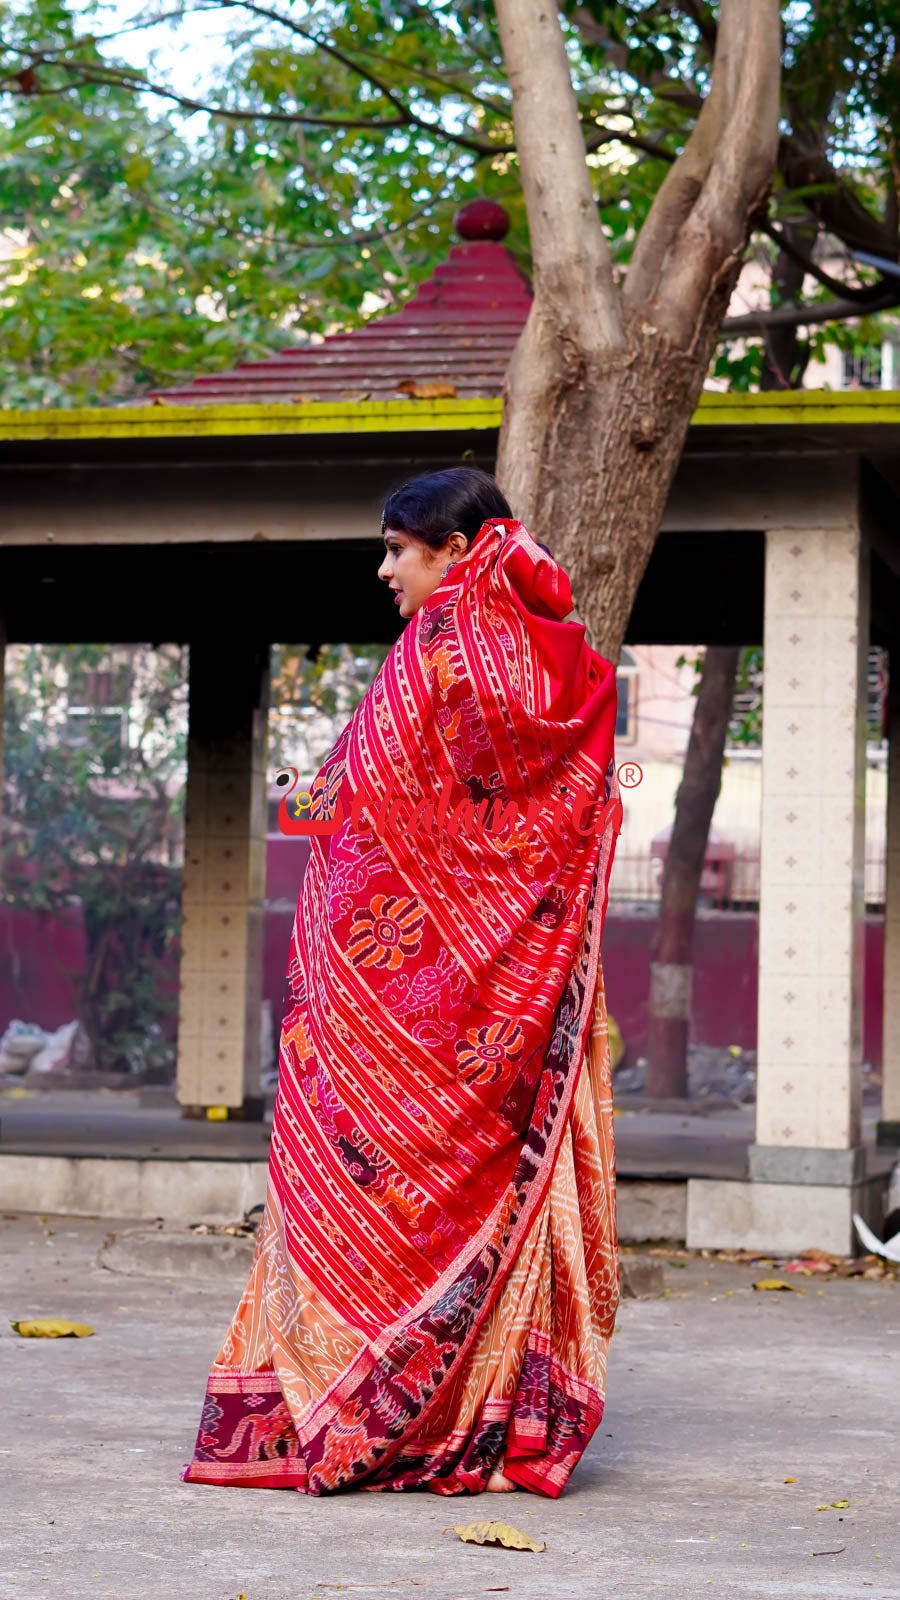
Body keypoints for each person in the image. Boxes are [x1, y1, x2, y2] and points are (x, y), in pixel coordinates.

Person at [183, 466, 624, 1498]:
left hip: (396, 1008)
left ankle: (366, 1418)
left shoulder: (442, 645)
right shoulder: (547, 660)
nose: (384, 569)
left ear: (457, 554)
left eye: (398, 548)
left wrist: (292, 798)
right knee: (470, 1202)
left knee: (362, 1187)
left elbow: (359, 798)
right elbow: (561, 808)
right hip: (489, 1011)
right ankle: (473, 1416)